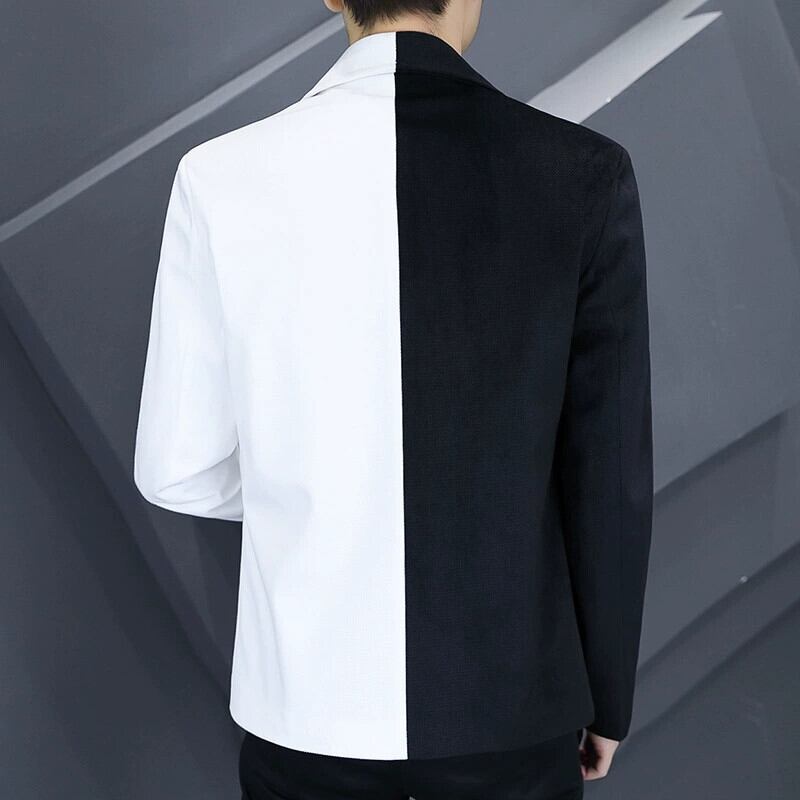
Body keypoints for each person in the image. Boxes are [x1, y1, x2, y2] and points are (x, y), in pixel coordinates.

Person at [133, 0, 654, 797]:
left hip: (305, 718)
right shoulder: (583, 171)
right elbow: (607, 484)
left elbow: (175, 468)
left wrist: (320, 488)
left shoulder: (217, 177)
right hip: (512, 716)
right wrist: (608, 698)